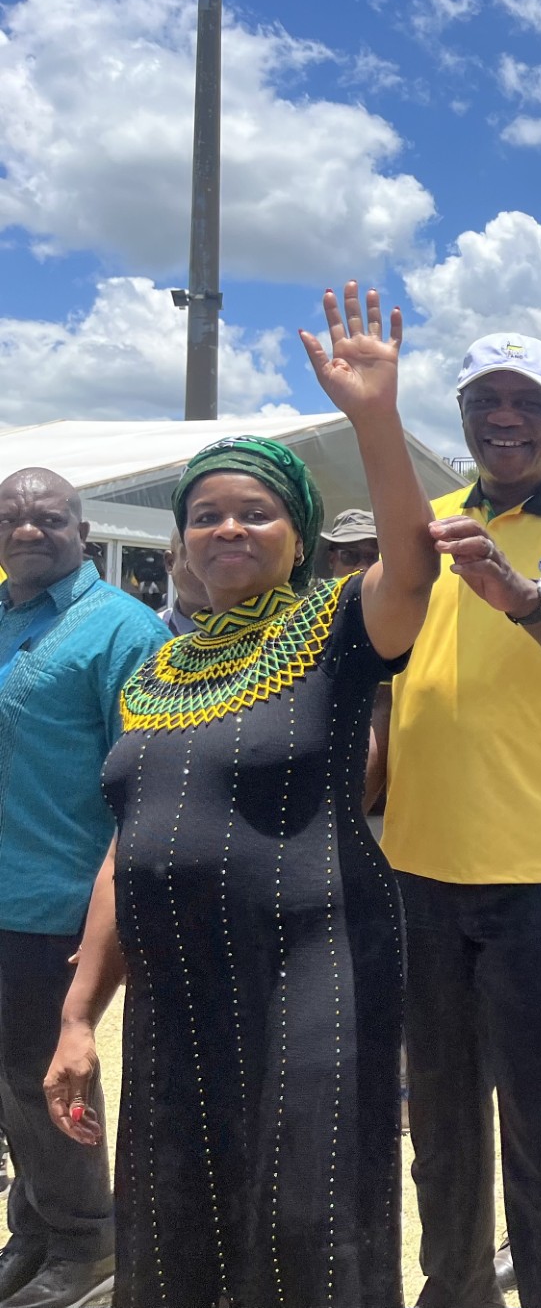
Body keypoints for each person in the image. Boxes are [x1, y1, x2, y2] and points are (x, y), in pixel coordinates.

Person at [43, 283, 438, 1308]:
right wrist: (81, 1014)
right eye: (206, 516)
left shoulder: (336, 629)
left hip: (312, 967)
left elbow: (411, 569)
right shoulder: (156, 670)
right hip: (176, 989)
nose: (229, 528)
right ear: (179, 544)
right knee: (173, 1212)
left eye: (256, 513)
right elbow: (129, 845)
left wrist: (376, 417)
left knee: (307, 1216)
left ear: (297, 538)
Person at [380, 332, 541, 1308]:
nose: (505, 418)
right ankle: (453, 1289)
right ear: (461, 414)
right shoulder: (427, 521)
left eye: (529, 401)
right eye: (485, 400)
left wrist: (523, 598)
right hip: (420, 864)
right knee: (441, 1122)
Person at [0, 470, 168, 1307]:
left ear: (83, 528)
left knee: (50, 1076)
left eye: (49, 517)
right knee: (9, 1080)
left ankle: (87, 1239)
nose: (28, 530)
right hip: (3, 891)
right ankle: (34, 1227)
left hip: (61, 898)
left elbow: (146, 782)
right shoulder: (4, 617)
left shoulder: (122, 630)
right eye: (11, 517)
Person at [158, 532, 211, 636]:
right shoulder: (148, 634)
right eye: (197, 559)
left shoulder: (246, 635)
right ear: (170, 562)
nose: (213, 571)